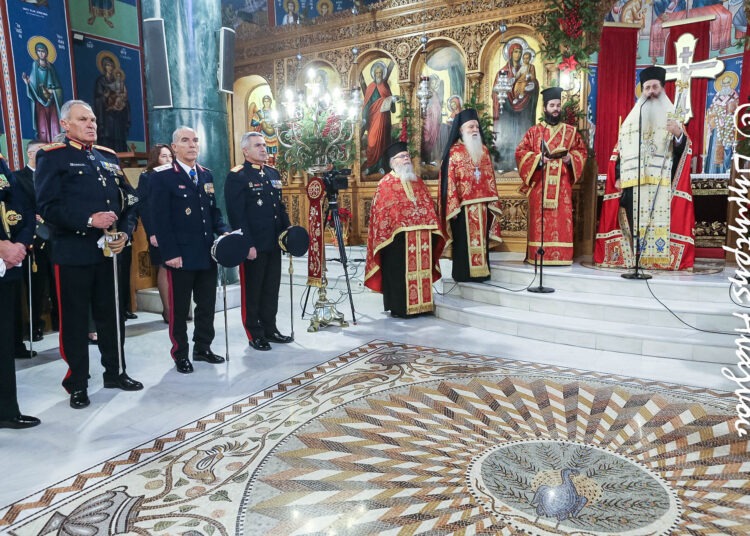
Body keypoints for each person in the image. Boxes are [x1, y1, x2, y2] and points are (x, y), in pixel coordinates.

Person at [35, 100, 143, 409]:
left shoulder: (107, 156)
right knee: (75, 320)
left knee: (112, 316)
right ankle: (77, 382)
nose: (92, 124)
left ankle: (115, 372)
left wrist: (125, 231)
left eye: (93, 119)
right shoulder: (52, 156)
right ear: (65, 125)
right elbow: (47, 207)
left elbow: (130, 199)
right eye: (83, 119)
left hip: (110, 253)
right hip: (73, 252)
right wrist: (88, 220)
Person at [594, 66, 694, 271]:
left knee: (658, 221)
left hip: (662, 183)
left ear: (662, 88)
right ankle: (637, 259)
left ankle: (657, 259)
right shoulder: (631, 120)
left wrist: (678, 135)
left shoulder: (673, 118)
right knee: (633, 221)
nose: (650, 92)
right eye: (647, 88)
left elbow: (684, 152)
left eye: (654, 87)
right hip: (634, 183)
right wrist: (619, 176)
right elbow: (620, 152)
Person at [150, 126, 231, 373]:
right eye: (185, 140)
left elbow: (213, 211)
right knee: (180, 308)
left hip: (206, 252)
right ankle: (180, 353)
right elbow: (160, 219)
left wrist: (224, 232)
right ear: (174, 147)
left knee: (206, 304)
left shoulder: (205, 174)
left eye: (195, 140)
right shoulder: (163, 176)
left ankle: (203, 348)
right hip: (180, 256)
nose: (192, 145)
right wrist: (170, 253)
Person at [225, 132, 293, 351]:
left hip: (273, 242)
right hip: (253, 244)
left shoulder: (272, 173)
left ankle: (270, 328)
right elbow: (237, 215)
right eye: (258, 146)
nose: (263, 149)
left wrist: (288, 233)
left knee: (271, 288)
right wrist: (247, 244)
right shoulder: (238, 176)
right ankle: (254, 333)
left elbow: (279, 207)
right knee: (253, 290)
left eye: (264, 145)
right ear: (245, 150)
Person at [365, 142, 445, 317]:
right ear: (393, 161)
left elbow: (428, 207)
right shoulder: (385, 184)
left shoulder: (418, 182)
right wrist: (398, 227)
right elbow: (382, 215)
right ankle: (400, 308)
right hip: (396, 242)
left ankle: (423, 305)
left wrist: (430, 224)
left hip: (422, 237)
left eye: (408, 156)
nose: (407, 159)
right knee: (397, 272)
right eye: (402, 156)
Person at [515, 87, 587, 265]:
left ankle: (562, 256)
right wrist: (538, 159)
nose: (556, 109)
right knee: (540, 223)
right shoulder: (534, 132)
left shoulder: (570, 132)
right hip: (540, 185)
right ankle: (538, 255)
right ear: (545, 108)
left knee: (561, 221)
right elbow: (520, 152)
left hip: (562, 186)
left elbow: (581, 152)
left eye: (558, 105)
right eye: (552, 105)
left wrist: (571, 158)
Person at [0, 153, 41, 429]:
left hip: (9, 265)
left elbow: (24, 207)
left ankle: (6, 410)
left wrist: (20, 244)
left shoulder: (1, 163)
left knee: (4, 344)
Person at [438, 108, 502, 282]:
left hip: (483, 207)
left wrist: (492, 202)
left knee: (482, 241)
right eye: (470, 127)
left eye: (476, 126)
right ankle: (463, 274)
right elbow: (449, 181)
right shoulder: (453, 153)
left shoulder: (484, 151)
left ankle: (482, 273)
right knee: (464, 242)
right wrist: (452, 206)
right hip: (462, 209)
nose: (474, 129)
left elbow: (489, 178)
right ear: (461, 130)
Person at [14, 139, 57, 344]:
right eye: (41, 150)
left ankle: (60, 321)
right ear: (30, 154)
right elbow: (19, 206)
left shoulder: (53, 174)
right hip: (34, 237)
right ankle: (35, 325)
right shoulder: (18, 178)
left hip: (56, 235)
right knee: (36, 285)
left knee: (59, 281)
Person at [136, 144, 175, 323]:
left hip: (176, 228)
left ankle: (178, 309)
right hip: (158, 229)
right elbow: (144, 206)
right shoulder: (147, 176)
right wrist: (152, 232)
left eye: (170, 156)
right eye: (164, 156)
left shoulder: (176, 174)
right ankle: (167, 310)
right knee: (164, 266)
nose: (168, 159)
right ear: (155, 158)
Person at [492, 42, 539, 171]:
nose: (517, 55)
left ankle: (524, 162)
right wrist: (501, 91)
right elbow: (495, 92)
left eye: (520, 52)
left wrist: (533, 86)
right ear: (510, 53)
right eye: (515, 52)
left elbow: (533, 83)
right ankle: (505, 163)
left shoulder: (528, 68)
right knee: (507, 134)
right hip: (506, 110)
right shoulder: (502, 72)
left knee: (521, 134)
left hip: (524, 110)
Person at [22, 41, 63, 143]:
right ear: (36, 53)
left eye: (43, 51)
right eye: (39, 51)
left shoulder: (51, 67)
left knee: (54, 125)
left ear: (47, 53)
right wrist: (28, 83)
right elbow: (33, 84)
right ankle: (45, 146)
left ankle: (56, 145)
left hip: (51, 102)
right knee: (42, 125)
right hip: (40, 102)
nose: (41, 53)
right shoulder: (35, 66)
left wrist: (53, 91)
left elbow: (58, 87)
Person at [360, 60, 396, 175]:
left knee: (382, 142)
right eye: (377, 73)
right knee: (372, 142)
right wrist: (364, 118)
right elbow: (366, 104)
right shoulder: (370, 87)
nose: (379, 75)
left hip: (383, 118)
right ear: (374, 74)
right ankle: (371, 166)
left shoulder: (385, 86)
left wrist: (392, 100)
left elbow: (390, 100)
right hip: (373, 119)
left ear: (383, 74)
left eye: (380, 73)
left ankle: (381, 166)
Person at [94, 56, 130, 152]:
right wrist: (106, 97)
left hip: (118, 115)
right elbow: (98, 97)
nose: (110, 67)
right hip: (106, 116)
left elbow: (124, 96)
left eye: (111, 65)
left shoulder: (117, 80)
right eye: (107, 65)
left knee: (119, 138)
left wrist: (122, 100)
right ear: (104, 67)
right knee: (107, 138)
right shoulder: (101, 80)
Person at [249, 95, 279, 166]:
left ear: (270, 102)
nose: (266, 103)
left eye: (268, 101)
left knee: (274, 151)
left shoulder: (274, 112)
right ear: (263, 102)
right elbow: (253, 123)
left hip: (273, 134)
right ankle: (264, 165)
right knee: (264, 150)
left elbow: (278, 122)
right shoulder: (260, 112)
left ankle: (275, 165)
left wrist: (273, 123)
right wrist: (260, 121)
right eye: (265, 101)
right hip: (264, 135)